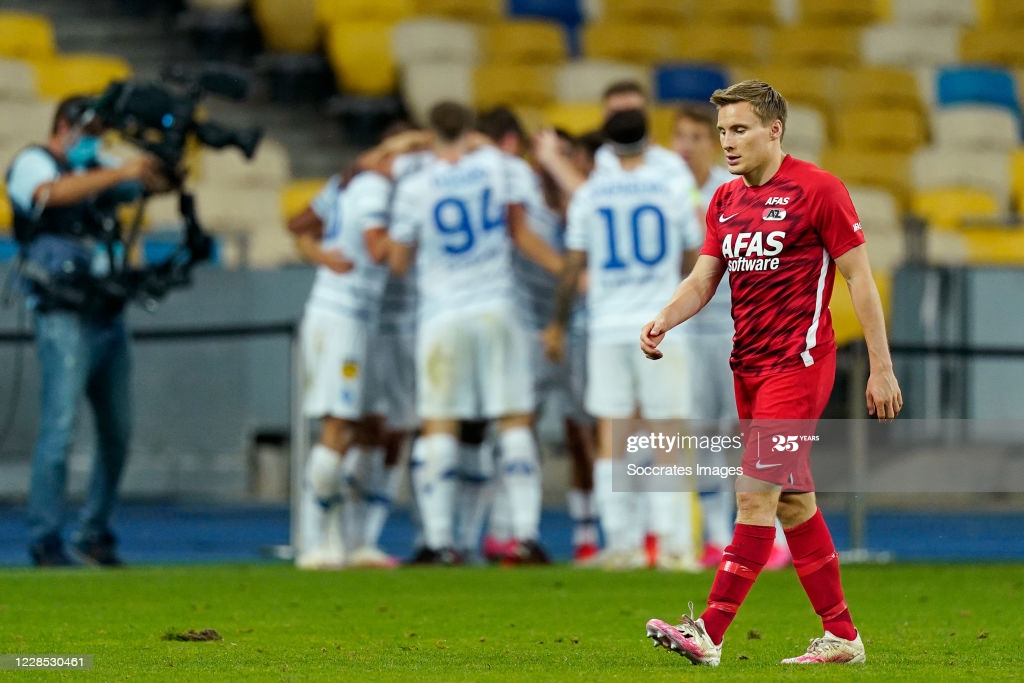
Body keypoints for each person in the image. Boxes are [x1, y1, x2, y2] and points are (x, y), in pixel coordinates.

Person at [642, 80, 902, 666]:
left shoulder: (819, 190)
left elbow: (860, 278)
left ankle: (708, 632)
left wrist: (881, 368)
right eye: (723, 132)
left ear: (773, 129)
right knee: (791, 504)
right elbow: (705, 278)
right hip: (749, 367)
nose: (728, 143)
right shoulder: (726, 200)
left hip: (799, 366)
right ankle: (842, 637)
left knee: (754, 497)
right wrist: (665, 317)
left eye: (739, 130)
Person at [388, 101, 561, 565]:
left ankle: (440, 542)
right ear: (469, 130)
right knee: (513, 420)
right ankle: (524, 535)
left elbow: (399, 262)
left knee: (439, 423)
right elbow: (518, 231)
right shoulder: (498, 167)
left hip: (442, 315)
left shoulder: (414, 184)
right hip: (497, 308)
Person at [5, 95, 172, 567]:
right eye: (90, 130)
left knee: (118, 431)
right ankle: (46, 538)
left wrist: (160, 158)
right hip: (61, 310)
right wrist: (121, 172)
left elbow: (153, 184)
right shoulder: (33, 162)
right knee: (59, 428)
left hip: (105, 309)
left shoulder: (99, 164)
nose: (95, 140)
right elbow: (48, 195)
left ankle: (94, 531)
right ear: (64, 125)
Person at [545, 109, 703, 570]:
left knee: (614, 434)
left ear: (607, 145)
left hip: (608, 326)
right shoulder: (670, 186)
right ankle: (675, 547)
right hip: (660, 323)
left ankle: (622, 545)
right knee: (667, 432)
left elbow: (575, 264)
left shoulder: (590, 193)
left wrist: (556, 323)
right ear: (649, 139)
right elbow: (694, 253)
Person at [670, 103, 793, 571]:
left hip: (739, 329)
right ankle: (719, 535)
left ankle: (775, 535)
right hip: (693, 332)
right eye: (679, 137)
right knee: (705, 436)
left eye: (696, 137)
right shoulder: (673, 192)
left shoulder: (734, 192)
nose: (687, 146)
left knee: (753, 436)